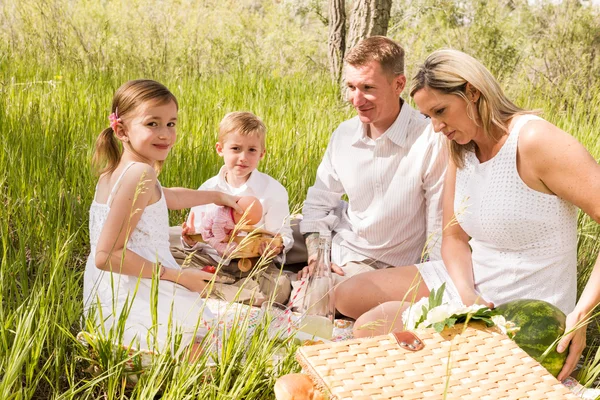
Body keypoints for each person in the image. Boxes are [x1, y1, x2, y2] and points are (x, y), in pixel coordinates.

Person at [337, 49, 600, 381]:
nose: (435, 127)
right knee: (349, 299)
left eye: (441, 111)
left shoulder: (533, 140)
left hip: (520, 305)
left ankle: (434, 342)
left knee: (372, 329)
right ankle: (434, 333)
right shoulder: (460, 147)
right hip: (470, 286)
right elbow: (454, 235)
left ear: (472, 92)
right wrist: (466, 293)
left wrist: (581, 313)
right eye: (428, 116)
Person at [83, 79, 242, 359]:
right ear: (121, 130)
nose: (165, 134)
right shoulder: (139, 175)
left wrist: (217, 196)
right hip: (137, 292)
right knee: (213, 350)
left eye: (171, 123)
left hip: (111, 293)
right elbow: (106, 256)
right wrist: (179, 277)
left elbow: (167, 197)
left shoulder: (118, 172)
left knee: (208, 334)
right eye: (152, 124)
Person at [292, 36, 448, 309]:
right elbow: (318, 204)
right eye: (351, 87)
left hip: (382, 265)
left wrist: (432, 294)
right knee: (258, 238)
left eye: (367, 87)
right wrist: (318, 258)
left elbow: (438, 231)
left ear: (398, 84)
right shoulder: (344, 134)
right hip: (340, 241)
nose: (356, 99)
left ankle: (295, 287)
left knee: (317, 298)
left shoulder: (430, 139)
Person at [170, 111, 293, 306]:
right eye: (235, 148)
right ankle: (228, 291)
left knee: (280, 287)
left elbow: (282, 234)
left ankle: (215, 289)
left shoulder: (273, 191)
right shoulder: (209, 188)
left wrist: (276, 246)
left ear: (262, 153)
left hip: (251, 265)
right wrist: (189, 240)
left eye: (252, 150)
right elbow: (200, 236)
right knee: (168, 257)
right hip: (211, 260)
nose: (243, 157)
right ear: (220, 149)